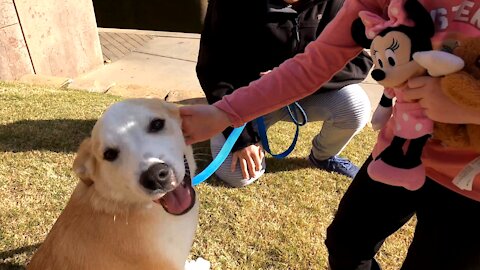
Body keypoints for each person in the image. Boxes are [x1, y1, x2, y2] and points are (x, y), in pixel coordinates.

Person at [182, 0, 480, 268]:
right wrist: (225, 113)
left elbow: (357, 66)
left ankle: (323, 155)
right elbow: (316, 62)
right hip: (395, 154)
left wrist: (468, 110)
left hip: (470, 183)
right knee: (346, 244)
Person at [196, 0, 373, 187]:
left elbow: (359, 62)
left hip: (302, 96)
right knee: (239, 176)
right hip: (246, 102)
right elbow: (212, 71)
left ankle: (323, 156)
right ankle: (236, 137)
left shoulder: (336, 3)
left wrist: (294, 79)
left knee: (356, 104)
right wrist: (243, 139)